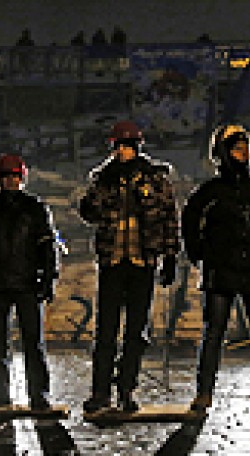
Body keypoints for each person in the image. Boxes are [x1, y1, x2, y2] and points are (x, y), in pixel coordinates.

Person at [182, 124, 250, 412]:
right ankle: (204, 393)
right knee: (214, 334)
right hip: (220, 272)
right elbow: (190, 227)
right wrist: (202, 258)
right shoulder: (208, 193)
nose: (241, 153)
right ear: (221, 153)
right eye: (235, 148)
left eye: (244, 148)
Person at [78, 120, 179, 413]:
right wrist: (99, 188)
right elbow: (89, 213)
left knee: (136, 332)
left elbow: (169, 218)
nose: (123, 152)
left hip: (141, 261)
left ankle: (126, 389)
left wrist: (170, 256)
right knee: (106, 331)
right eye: (119, 147)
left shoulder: (156, 179)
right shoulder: (103, 178)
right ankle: (100, 392)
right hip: (112, 261)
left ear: (137, 147)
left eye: (128, 146)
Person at [0, 154, 59, 410]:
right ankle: (2, 392)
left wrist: (49, 278)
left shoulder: (35, 209)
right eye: (7, 176)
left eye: (14, 176)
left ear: (21, 178)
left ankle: (37, 393)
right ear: (0, 179)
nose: (10, 181)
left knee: (32, 343)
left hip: (26, 284)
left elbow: (48, 248)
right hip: (0, 284)